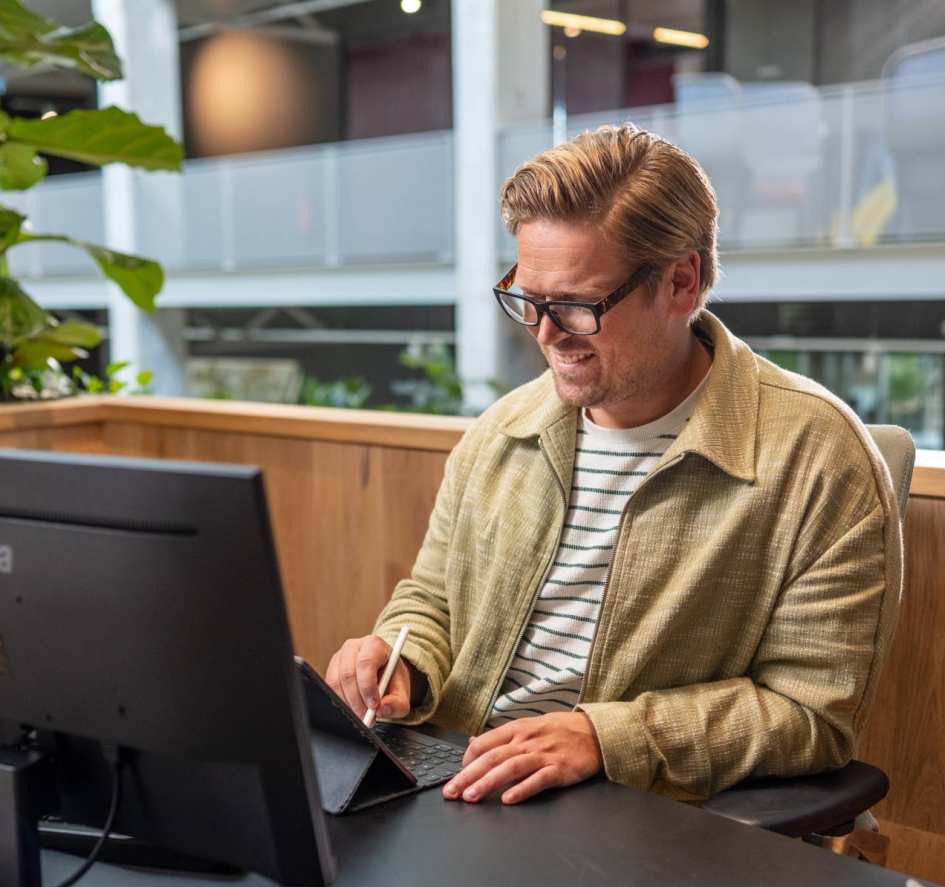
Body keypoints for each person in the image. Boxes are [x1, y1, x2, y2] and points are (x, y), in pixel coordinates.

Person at [326, 123, 902, 807]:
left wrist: (607, 739)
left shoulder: (818, 457)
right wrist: (401, 659)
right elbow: (433, 602)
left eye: (574, 305)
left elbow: (810, 714)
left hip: (633, 807)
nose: (545, 334)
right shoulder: (502, 431)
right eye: (527, 300)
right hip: (457, 780)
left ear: (681, 283)